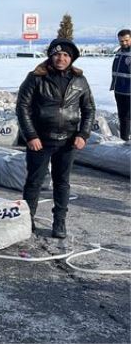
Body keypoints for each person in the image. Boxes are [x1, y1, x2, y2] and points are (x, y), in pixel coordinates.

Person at [16, 38, 95, 238]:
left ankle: (59, 222)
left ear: (72, 58)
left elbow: (89, 109)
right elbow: (22, 108)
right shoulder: (36, 77)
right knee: (34, 182)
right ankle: (27, 220)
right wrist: (31, 135)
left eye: (66, 55)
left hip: (68, 141)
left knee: (62, 182)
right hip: (40, 140)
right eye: (57, 54)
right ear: (51, 56)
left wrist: (83, 134)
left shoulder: (80, 80)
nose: (61, 58)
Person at [111, 29, 131, 140]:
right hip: (119, 90)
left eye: (126, 40)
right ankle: (124, 140)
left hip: (130, 91)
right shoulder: (119, 52)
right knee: (123, 117)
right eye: (121, 41)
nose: (124, 43)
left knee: (128, 117)